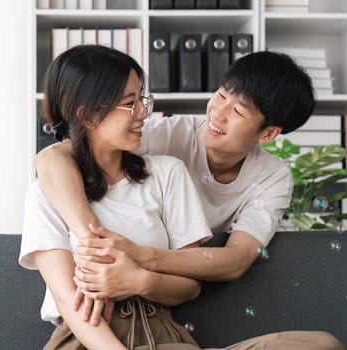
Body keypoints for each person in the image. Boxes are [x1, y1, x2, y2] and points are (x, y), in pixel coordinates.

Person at [31, 46, 345, 349]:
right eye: (221, 95)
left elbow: (233, 262)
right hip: (93, 334)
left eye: (236, 111)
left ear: (267, 134)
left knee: (322, 345)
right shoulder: (167, 136)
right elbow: (53, 158)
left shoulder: (185, 173)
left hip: (162, 324)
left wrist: (138, 264)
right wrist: (94, 244)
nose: (217, 114)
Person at [20, 45, 214, 349]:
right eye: (129, 103)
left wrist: (139, 280)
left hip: (161, 334)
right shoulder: (46, 193)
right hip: (86, 337)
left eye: (141, 100)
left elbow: (190, 287)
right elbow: (67, 299)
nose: (143, 114)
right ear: (88, 114)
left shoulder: (167, 174)